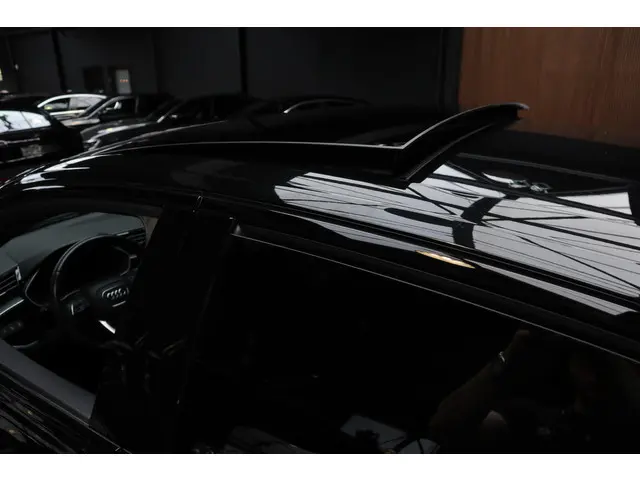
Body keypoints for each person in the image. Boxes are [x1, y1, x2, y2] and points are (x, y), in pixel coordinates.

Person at [428, 329, 640, 452]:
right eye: (589, 359)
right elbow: (445, 427)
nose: (596, 375)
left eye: (608, 365)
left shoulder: (627, 437)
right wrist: (509, 357)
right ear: (572, 359)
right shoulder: (531, 420)